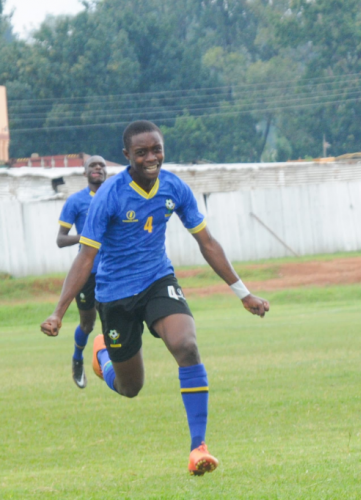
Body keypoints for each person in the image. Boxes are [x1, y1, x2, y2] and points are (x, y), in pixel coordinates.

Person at [40, 120, 270, 476]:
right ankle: (103, 356)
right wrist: (58, 312)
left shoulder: (174, 187)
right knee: (131, 387)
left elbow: (206, 242)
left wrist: (243, 292)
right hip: (115, 295)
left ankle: (199, 448)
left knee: (187, 345)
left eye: (156, 149)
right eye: (142, 152)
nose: (151, 157)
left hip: (157, 281)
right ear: (127, 156)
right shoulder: (109, 196)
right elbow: (86, 258)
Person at [56, 155, 108, 389]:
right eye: (92, 166)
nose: (98, 168)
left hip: (112, 269)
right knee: (87, 324)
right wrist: (85, 237)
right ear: (85, 173)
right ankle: (78, 358)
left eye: (102, 165)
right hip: (87, 271)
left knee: (112, 318)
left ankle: (109, 363)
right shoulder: (75, 202)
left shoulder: (114, 197)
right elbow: (60, 239)